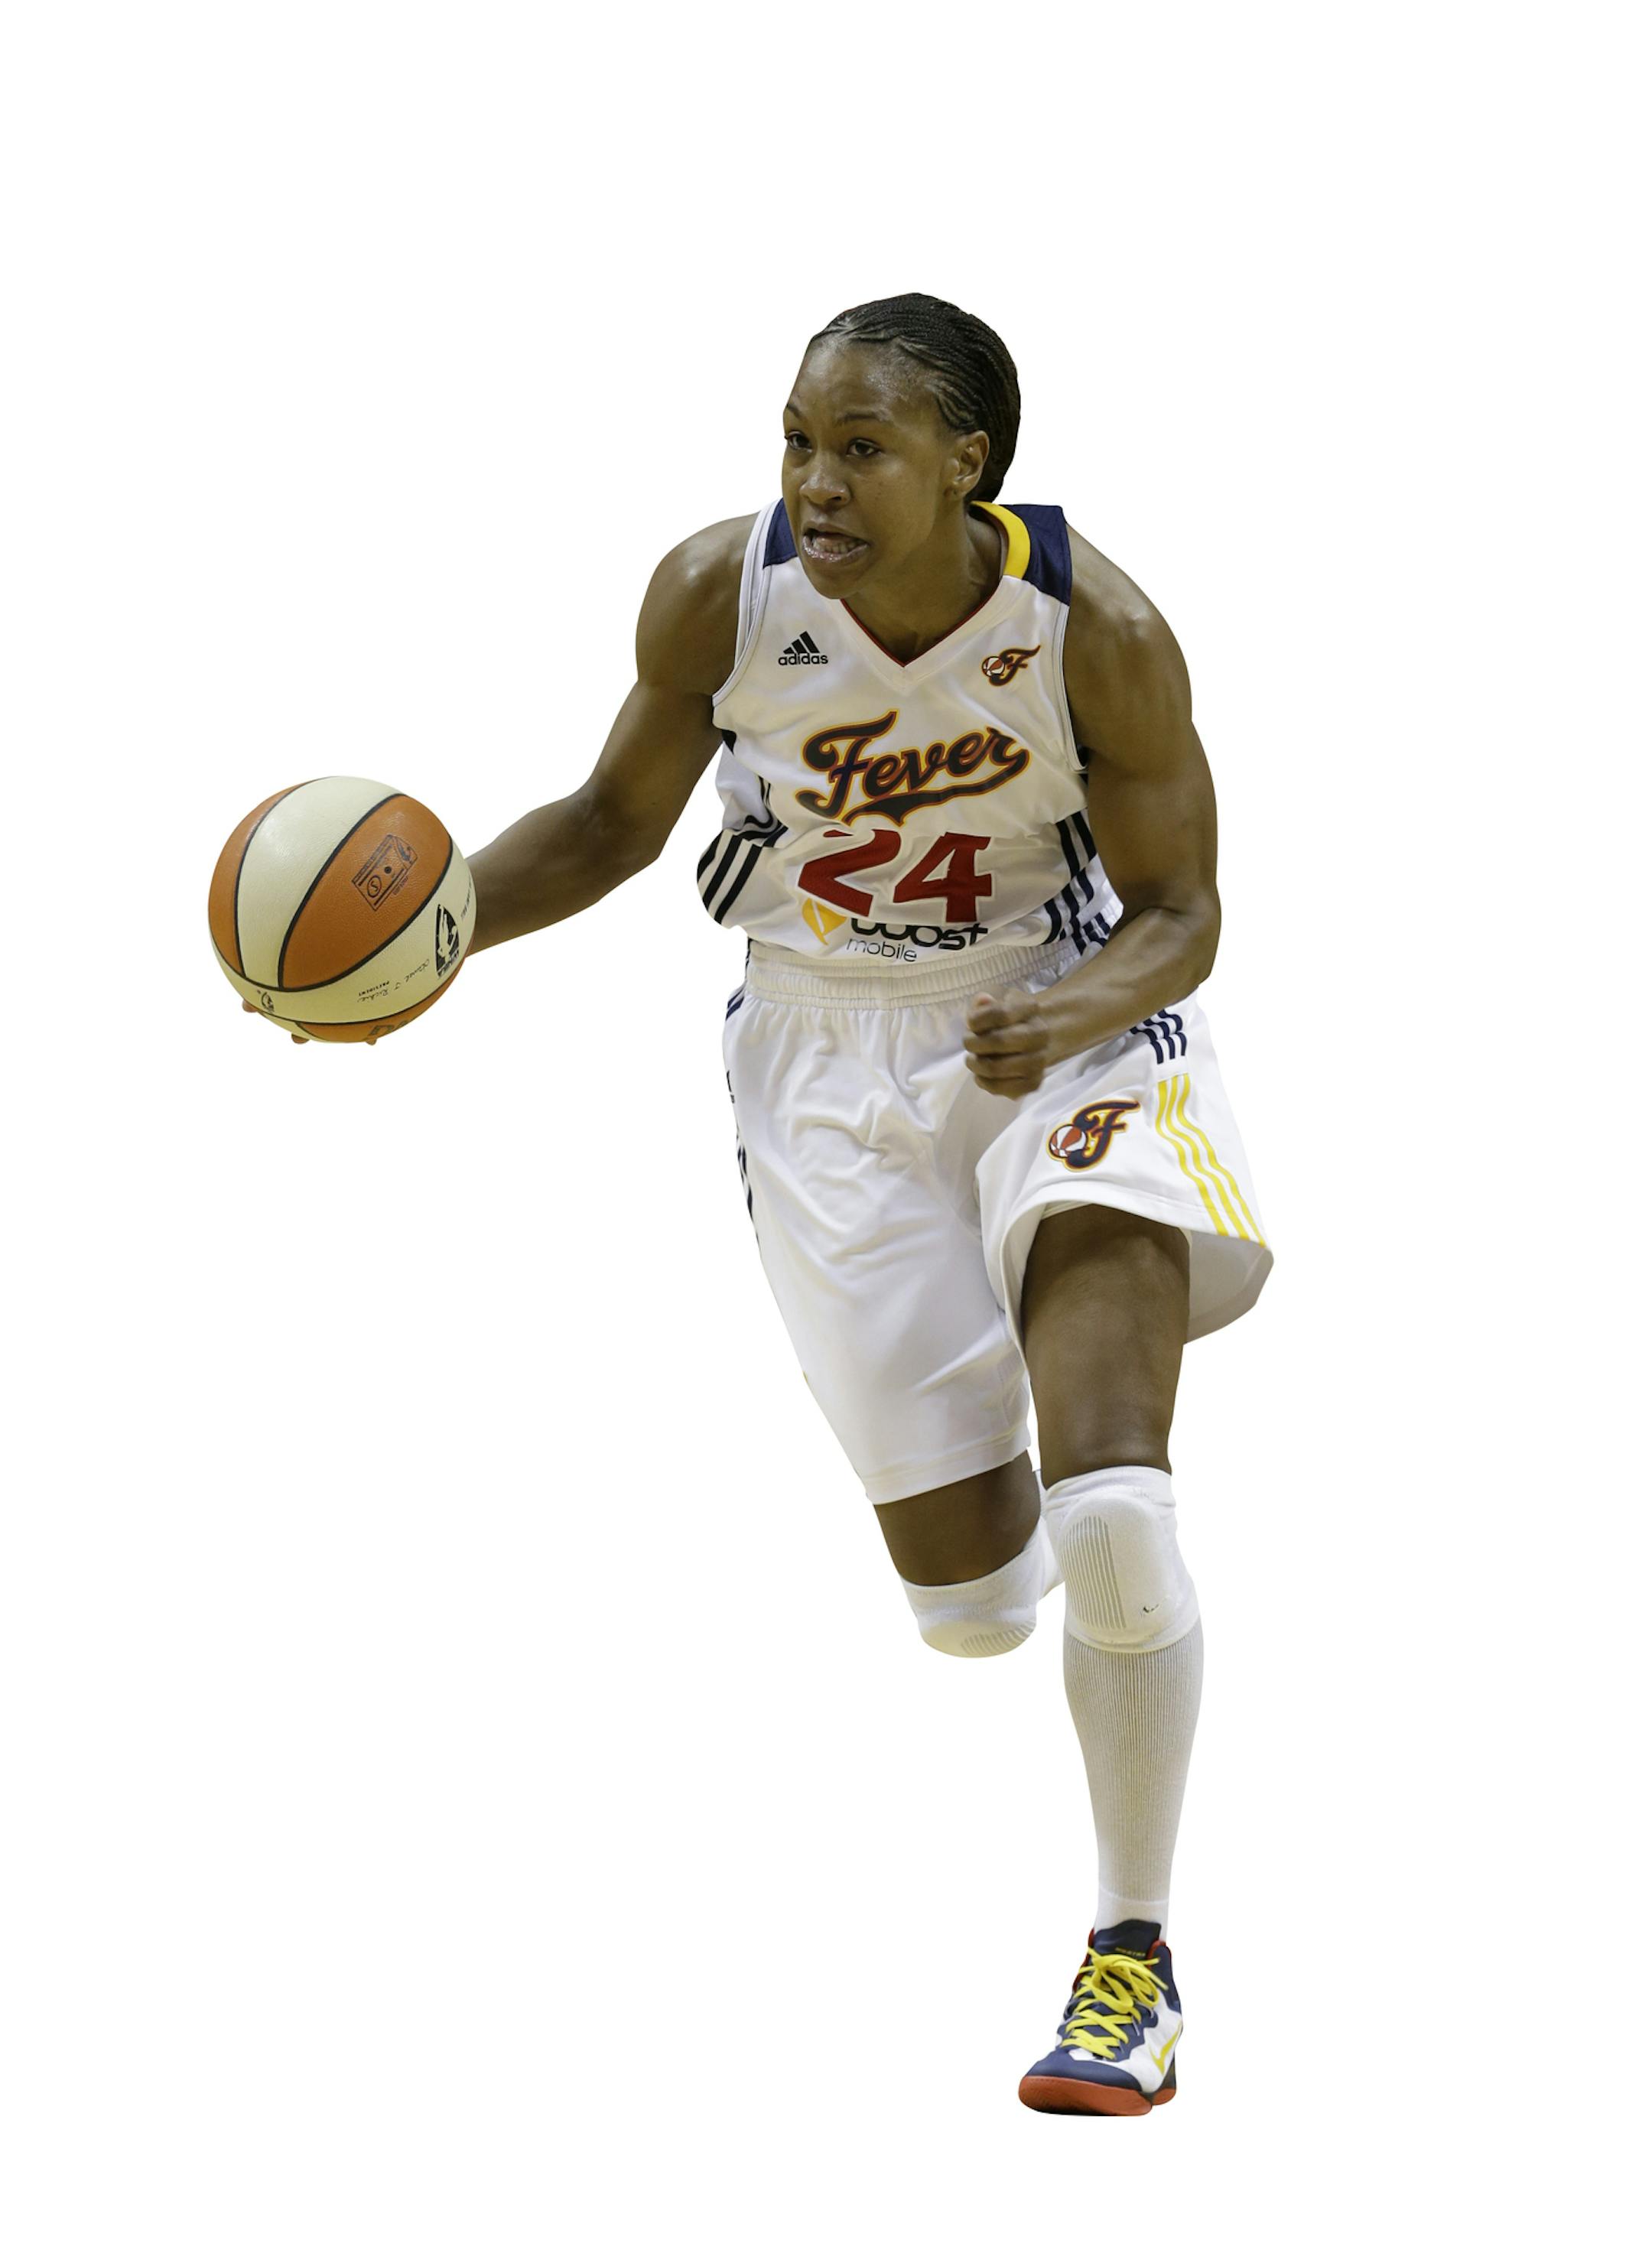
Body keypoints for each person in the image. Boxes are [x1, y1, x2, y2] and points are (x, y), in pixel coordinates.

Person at [467, 293, 1270, 2115]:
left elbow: (1183, 912)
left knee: (1118, 1516)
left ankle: (1131, 1962)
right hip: (823, 1058)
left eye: (861, 448)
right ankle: (1037, 1495)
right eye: (797, 440)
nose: (814, 480)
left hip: (1063, 1022)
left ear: (966, 466)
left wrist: (1069, 1011)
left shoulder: (1098, 630)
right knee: (977, 1608)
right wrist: (436, 933)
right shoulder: (720, 594)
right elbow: (605, 825)